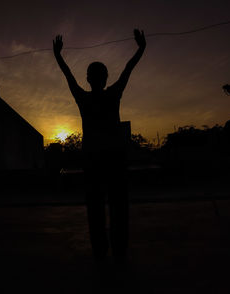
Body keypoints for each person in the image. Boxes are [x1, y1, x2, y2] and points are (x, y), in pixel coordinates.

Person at [53, 30, 146, 263]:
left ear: (89, 79)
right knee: (117, 207)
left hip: (95, 160)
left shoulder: (85, 99)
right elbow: (128, 69)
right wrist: (141, 48)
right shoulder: (112, 94)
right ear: (104, 78)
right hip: (112, 159)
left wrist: (58, 56)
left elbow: (68, 76)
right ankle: (118, 249)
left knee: (96, 209)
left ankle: (101, 250)